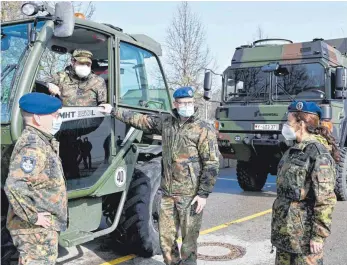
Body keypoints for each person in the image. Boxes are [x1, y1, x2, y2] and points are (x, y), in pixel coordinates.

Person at [99, 86, 220, 265]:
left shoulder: (203, 129)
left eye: (189, 102)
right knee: (166, 241)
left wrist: (203, 194)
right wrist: (113, 111)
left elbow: (211, 163)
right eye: (183, 103)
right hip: (167, 194)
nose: (187, 106)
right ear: (175, 104)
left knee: (188, 243)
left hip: (190, 195)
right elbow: (141, 121)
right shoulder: (166, 122)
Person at [271, 100, 338, 265]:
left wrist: (318, 235)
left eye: (288, 121)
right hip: (285, 234)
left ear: (300, 123)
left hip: (304, 240)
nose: (285, 126)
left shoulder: (317, 154)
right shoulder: (292, 150)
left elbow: (326, 199)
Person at [4, 92, 68, 265]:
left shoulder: (40, 141)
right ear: (38, 118)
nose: (57, 119)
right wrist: (33, 217)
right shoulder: (33, 146)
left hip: (37, 229)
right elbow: (14, 186)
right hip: (35, 230)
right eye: (54, 115)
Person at [45, 49, 107, 178]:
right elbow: (41, 83)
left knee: (70, 147)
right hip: (63, 124)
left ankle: (72, 174)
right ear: (73, 62)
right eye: (81, 63)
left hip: (87, 124)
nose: (84, 67)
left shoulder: (98, 82)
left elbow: (103, 105)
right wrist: (49, 85)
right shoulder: (61, 77)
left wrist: (104, 107)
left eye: (88, 64)